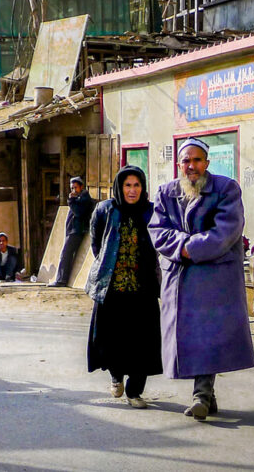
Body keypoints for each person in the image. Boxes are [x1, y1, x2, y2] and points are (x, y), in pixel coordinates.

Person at [149, 138, 254, 421]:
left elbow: (226, 231)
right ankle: (208, 396)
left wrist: (190, 248)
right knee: (190, 337)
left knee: (207, 335)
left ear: (207, 163)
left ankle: (201, 395)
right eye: (186, 161)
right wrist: (182, 245)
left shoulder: (226, 189)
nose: (192, 166)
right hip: (179, 278)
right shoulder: (165, 193)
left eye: (197, 160)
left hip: (214, 279)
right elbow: (158, 230)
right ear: (179, 164)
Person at [85, 165, 162, 409]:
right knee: (112, 340)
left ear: (143, 187)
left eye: (137, 185)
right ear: (119, 187)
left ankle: (134, 391)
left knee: (144, 341)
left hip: (143, 289)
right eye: (127, 185)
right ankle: (116, 376)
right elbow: (97, 244)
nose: (132, 190)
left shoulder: (151, 211)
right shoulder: (105, 209)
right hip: (112, 288)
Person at [48, 177, 95, 287]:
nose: (73, 190)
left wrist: (71, 200)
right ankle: (62, 279)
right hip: (73, 230)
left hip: (77, 231)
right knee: (66, 255)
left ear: (81, 187)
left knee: (66, 254)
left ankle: (61, 280)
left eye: (75, 187)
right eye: (72, 188)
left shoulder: (84, 198)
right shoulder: (79, 198)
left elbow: (78, 212)